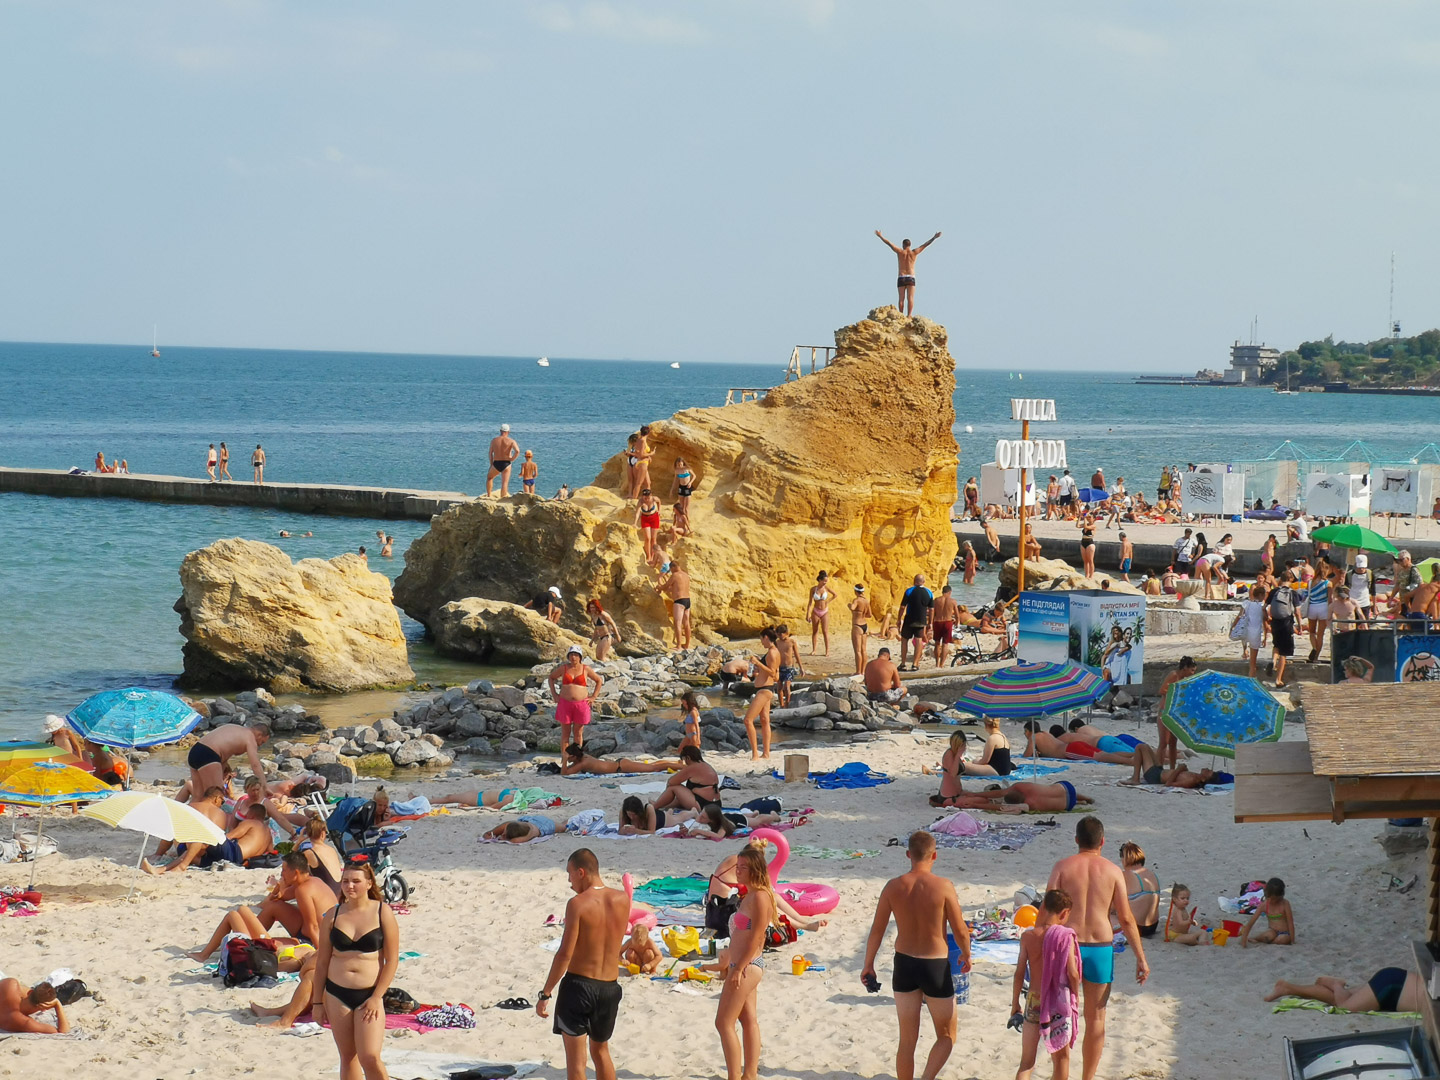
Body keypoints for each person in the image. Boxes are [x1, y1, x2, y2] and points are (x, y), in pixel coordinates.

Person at [861, 830, 969, 1080]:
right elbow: (960, 929)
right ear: (935, 856)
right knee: (947, 1035)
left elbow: (877, 931)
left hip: (904, 965)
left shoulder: (893, 887)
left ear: (908, 854)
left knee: (907, 1040)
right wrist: (966, 954)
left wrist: (868, 964)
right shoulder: (944, 886)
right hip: (935, 966)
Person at [1047, 816, 1148, 1080]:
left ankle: (1061, 1074)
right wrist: (1140, 957)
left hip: (1067, 946)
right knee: (1096, 1018)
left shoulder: (1062, 867)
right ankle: (1088, 1077)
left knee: (1060, 1015)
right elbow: (1126, 919)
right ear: (1102, 841)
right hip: (1100, 947)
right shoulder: (1113, 871)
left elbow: (1047, 914)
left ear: (1076, 840)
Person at [538, 849, 628, 1080]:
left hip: (579, 987)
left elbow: (564, 954)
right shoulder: (622, 899)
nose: (569, 882)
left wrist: (546, 993)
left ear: (581, 872)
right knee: (601, 1051)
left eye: (569, 874)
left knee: (577, 1063)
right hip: (609, 988)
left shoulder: (577, 904)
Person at [311, 860, 400, 1080]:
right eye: (345, 881)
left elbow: (392, 960)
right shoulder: (333, 915)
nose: (349, 886)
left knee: (370, 1057)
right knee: (348, 1056)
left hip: (369, 994)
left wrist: (377, 997)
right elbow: (322, 963)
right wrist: (317, 1003)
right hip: (336, 993)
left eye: (356, 881)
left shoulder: (382, 912)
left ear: (369, 883)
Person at [190, 851, 336, 959]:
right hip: (318, 933)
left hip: (315, 940)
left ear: (296, 872)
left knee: (258, 941)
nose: (281, 873)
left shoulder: (303, 890)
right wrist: (281, 884)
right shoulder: (311, 881)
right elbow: (278, 898)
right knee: (273, 906)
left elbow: (313, 927)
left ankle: (245, 938)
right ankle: (250, 932)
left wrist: (322, 955)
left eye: (284, 870)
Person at [715, 846, 779, 1080]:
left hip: (747, 965)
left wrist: (738, 968)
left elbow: (757, 937)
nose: (738, 871)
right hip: (744, 963)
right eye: (738, 867)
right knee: (748, 1018)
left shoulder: (760, 896)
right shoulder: (749, 895)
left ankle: (736, 1076)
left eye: (743, 867)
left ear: (755, 870)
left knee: (723, 1023)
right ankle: (749, 1074)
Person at [1011, 889, 1078, 1080]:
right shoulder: (1065, 936)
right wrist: (1075, 994)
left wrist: (1015, 1003)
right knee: (1061, 1058)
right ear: (1064, 913)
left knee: (1027, 1062)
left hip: (1034, 999)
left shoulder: (1028, 937)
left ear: (1042, 908)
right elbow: (1073, 973)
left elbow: (1019, 973)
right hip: (1057, 1000)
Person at [1263, 967, 1421, 1012]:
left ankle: (1287, 988)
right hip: (1393, 987)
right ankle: (1336, 984)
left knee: (1342, 997)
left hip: (1396, 983)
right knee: (1345, 1006)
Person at [186, 722, 270, 802]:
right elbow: (255, 765)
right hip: (208, 754)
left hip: (195, 750)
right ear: (259, 735)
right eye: (262, 742)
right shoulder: (250, 738)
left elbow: (223, 752)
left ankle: (188, 811)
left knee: (198, 796)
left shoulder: (236, 729)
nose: (260, 745)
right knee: (216, 797)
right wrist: (265, 787)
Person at [874, 229, 941, 315]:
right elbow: (925, 245)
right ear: (910, 245)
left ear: (903, 245)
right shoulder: (914, 252)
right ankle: (909, 315)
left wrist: (880, 236)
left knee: (901, 298)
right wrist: (934, 237)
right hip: (911, 277)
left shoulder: (900, 251)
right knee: (910, 298)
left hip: (901, 277)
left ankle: (901, 314)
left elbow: (889, 244)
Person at [549, 646, 601, 750]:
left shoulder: (586, 669)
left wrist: (593, 697)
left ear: (580, 657)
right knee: (565, 733)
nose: (573, 657)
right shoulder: (564, 668)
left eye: (576, 655)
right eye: (571, 655)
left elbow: (598, 680)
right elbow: (551, 678)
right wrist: (554, 695)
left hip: (581, 704)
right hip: (565, 703)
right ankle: (564, 757)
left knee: (578, 733)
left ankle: (577, 757)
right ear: (568, 656)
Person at [741, 629, 780, 759]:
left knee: (748, 720)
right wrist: (759, 668)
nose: (761, 642)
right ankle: (766, 753)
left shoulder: (772, 653)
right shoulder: (774, 652)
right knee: (764, 720)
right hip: (766, 688)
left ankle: (755, 754)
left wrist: (758, 663)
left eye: (761, 639)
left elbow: (773, 673)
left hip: (765, 689)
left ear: (766, 637)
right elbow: (775, 675)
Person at [1119, 741, 1219, 789]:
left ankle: (1135, 779)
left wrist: (1179, 769)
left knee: (1140, 747)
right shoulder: (1195, 776)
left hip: (1155, 776)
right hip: (1160, 770)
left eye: (1209, 772)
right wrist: (1183, 770)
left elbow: (1168, 784)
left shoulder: (1191, 781)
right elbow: (1179, 776)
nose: (1208, 769)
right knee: (1146, 746)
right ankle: (1135, 777)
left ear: (1203, 779)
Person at [653, 745, 722, 811]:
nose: (685, 763)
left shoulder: (693, 767)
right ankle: (662, 805)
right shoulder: (706, 765)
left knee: (673, 787)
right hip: (716, 803)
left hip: (702, 804)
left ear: (688, 758)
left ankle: (655, 806)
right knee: (679, 797)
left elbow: (671, 782)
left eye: (684, 760)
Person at [1155, 657, 1195, 769]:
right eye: (1192, 670)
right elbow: (1162, 690)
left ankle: (1172, 768)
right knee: (1164, 743)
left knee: (1173, 743)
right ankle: (1158, 768)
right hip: (1165, 712)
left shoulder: (1185, 680)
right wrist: (1177, 693)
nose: (1193, 673)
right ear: (1185, 668)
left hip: (1175, 714)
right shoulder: (1174, 675)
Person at [1118, 842, 1159, 939]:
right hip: (1153, 926)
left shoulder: (1126, 875)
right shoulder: (1152, 874)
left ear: (1125, 858)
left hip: (1136, 927)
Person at [0, 979, 68, 1034]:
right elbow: (63, 1031)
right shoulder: (24, 1022)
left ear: (30, 992)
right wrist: (58, 1005)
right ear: (44, 1008)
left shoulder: (10, 983)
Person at [1241, 877, 1294, 947]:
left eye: (1274, 899)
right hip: (1272, 931)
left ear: (1280, 897)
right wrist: (1244, 939)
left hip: (1285, 933)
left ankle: (1271, 942)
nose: (1271, 901)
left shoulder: (1285, 904)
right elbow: (1251, 923)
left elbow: (1290, 922)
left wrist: (1292, 940)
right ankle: (1257, 939)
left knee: (1282, 939)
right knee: (1268, 935)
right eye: (1269, 898)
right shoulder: (1264, 905)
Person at [561, 745, 679, 776]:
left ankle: (682, 767)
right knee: (652, 766)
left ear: (574, 756)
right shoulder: (583, 757)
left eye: (569, 757)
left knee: (654, 768)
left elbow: (564, 773)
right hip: (620, 764)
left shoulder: (583, 763)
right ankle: (676, 763)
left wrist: (565, 760)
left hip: (621, 767)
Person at [896, 574, 934, 672]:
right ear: (923, 582)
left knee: (904, 640)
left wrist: (899, 619)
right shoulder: (929, 592)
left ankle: (903, 664)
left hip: (909, 619)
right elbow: (931, 609)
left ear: (914, 581)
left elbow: (902, 607)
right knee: (918, 641)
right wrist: (930, 622)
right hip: (921, 620)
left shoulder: (909, 591)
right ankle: (915, 664)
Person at [656, 558, 692, 650]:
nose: (671, 572)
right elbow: (676, 588)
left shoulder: (675, 575)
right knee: (686, 623)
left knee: (677, 623)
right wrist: (664, 587)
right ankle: (687, 645)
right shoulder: (686, 575)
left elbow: (665, 586)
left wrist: (659, 586)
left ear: (673, 567)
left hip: (679, 601)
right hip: (687, 600)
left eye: (670, 570)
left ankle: (678, 646)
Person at [1233, 586, 1267, 678]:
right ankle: (1251, 679)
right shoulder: (1262, 606)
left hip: (1246, 630)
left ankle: (1244, 650)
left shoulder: (1246, 603)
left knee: (1244, 638)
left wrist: (1233, 626)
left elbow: (1239, 616)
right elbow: (1265, 621)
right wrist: (1265, 637)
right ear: (1261, 595)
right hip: (1255, 633)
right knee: (1253, 663)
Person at [929, 585, 959, 669]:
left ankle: (937, 663)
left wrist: (930, 623)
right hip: (947, 622)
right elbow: (957, 614)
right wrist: (957, 623)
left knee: (937, 643)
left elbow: (932, 612)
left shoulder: (936, 600)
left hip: (937, 622)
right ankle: (942, 665)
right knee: (945, 644)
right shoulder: (953, 601)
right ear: (950, 592)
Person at [774, 624, 803, 708]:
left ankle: (787, 704)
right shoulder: (777, 643)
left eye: (780, 634)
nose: (779, 636)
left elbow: (797, 655)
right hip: (779, 667)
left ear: (786, 633)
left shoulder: (791, 642)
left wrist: (801, 668)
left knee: (786, 686)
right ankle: (781, 705)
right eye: (778, 635)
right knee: (779, 687)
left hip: (789, 668)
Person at [486, 424, 519, 497]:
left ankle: (489, 495)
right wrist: (512, 459)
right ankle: (503, 498)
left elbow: (490, 453)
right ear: (508, 432)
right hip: (506, 463)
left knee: (489, 478)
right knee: (504, 483)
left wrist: (491, 464)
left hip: (496, 462)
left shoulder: (494, 440)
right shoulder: (511, 441)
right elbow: (517, 451)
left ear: (500, 431)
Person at [849, 584, 873, 675]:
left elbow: (852, 607)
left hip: (857, 625)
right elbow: (869, 615)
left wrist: (849, 606)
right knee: (864, 650)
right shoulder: (866, 601)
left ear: (855, 591)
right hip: (864, 625)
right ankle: (863, 671)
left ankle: (858, 671)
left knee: (857, 651)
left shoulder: (856, 600)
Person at [484, 815, 563, 842]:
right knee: (562, 825)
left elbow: (515, 841)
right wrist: (490, 834)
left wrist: (503, 839)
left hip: (544, 826)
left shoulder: (529, 834)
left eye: (505, 834)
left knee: (564, 827)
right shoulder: (508, 825)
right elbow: (489, 833)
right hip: (530, 819)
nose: (503, 834)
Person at [634, 488, 663, 562]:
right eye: (645, 498)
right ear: (642, 496)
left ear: (651, 495)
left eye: (648, 497)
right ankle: (648, 555)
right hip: (645, 519)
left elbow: (659, 501)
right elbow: (637, 513)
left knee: (653, 538)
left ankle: (653, 555)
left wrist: (659, 510)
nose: (647, 499)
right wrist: (635, 523)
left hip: (654, 518)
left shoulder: (654, 499)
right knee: (647, 538)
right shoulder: (640, 501)